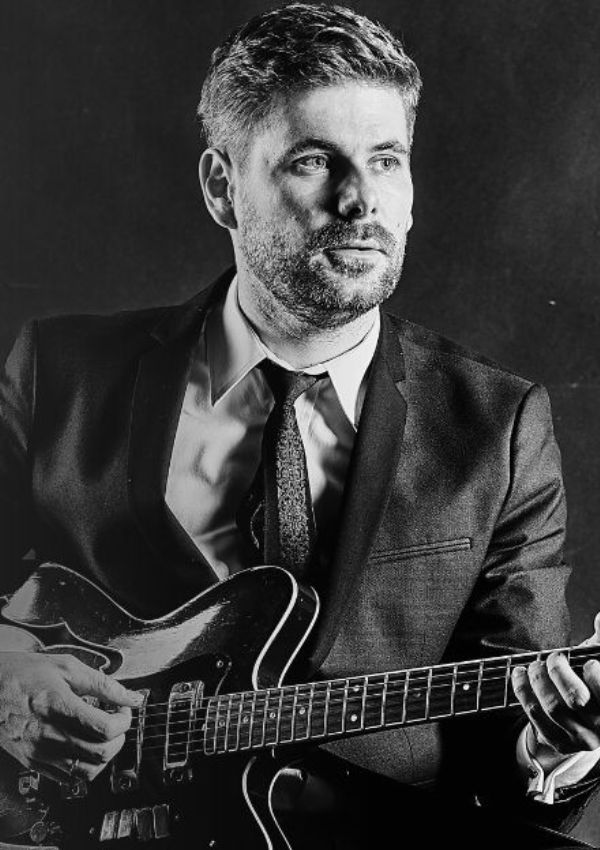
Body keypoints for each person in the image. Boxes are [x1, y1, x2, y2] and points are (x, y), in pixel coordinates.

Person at [0, 4, 599, 848]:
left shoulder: (499, 427)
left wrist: (559, 747)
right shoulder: (59, 373)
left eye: (386, 160)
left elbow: (515, 731)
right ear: (222, 187)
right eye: (314, 161)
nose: (360, 201)